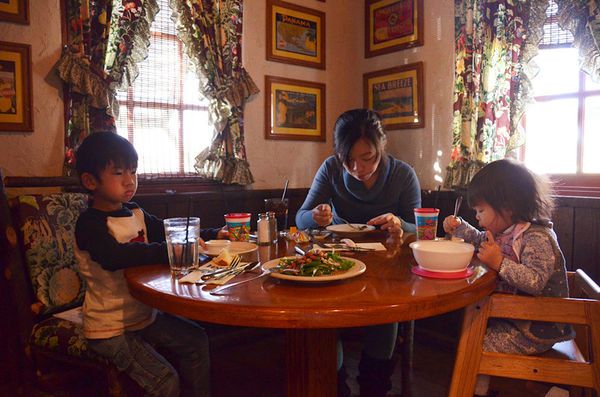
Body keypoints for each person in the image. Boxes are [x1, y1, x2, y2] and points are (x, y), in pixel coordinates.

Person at [74, 132, 225, 397]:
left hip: (144, 317)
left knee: (196, 341)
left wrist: (213, 235)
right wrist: (171, 252)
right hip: (109, 328)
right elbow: (114, 257)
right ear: (90, 181)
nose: (130, 180)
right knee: (165, 380)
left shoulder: (135, 211)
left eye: (133, 172)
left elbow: (171, 232)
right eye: (119, 173)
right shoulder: (90, 224)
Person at [295, 109, 422, 397]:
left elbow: (421, 228)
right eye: (349, 159)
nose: (358, 168)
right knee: (323, 318)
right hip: (338, 263)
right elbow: (300, 217)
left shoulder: (403, 175)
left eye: (368, 158)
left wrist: (400, 224)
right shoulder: (330, 169)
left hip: (388, 268)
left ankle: (374, 387)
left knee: (385, 313)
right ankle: (335, 385)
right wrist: (316, 216)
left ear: (383, 145)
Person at [443, 159, 574, 397]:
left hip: (538, 326)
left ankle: (476, 392)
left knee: (476, 345)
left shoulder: (537, 237)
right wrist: (460, 227)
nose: (478, 218)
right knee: (471, 331)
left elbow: (535, 281)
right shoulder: (506, 231)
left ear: (507, 207)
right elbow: (479, 239)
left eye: (481, 211)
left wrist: (498, 263)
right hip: (517, 319)